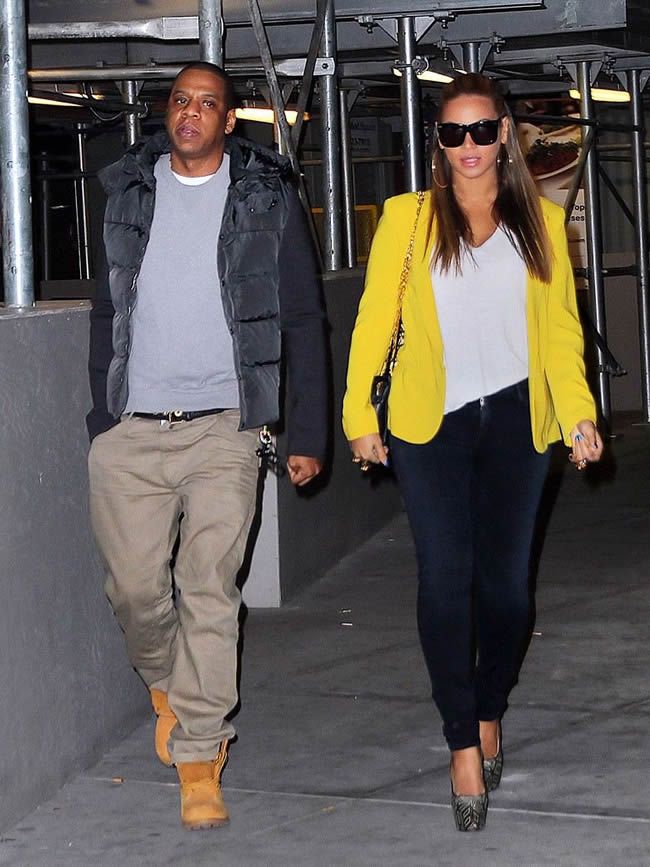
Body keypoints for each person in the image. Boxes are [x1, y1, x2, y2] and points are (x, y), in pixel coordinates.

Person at [342, 73, 603, 832]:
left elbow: (561, 331)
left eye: (482, 131)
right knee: (445, 582)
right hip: (432, 426)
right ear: (438, 141)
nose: (469, 147)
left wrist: (578, 415)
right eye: (453, 133)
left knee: (509, 593)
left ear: (505, 134)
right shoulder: (408, 219)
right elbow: (373, 320)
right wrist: (359, 413)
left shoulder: (542, 222)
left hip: (519, 422)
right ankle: (462, 739)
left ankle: (491, 707)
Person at [87, 62, 327, 830]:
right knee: (134, 591)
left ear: (229, 119)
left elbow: (301, 319)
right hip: (133, 429)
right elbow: (107, 310)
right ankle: (167, 681)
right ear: (169, 113)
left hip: (227, 426)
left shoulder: (265, 197)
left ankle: (200, 752)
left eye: (207, 104)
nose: (191, 113)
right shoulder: (128, 193)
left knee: (210, 587)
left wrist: (305, 431)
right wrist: (101, 418)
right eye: (181, 101)